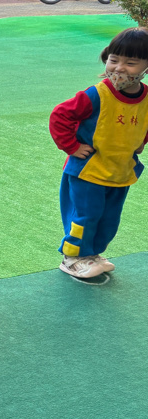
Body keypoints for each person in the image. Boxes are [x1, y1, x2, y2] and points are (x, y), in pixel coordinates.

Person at [50, 27, 148, 278]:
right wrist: (72, 146)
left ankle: (91, 254)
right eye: (114, 60)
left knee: (109, 219)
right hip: (88, 171)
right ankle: (72, 257)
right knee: (86, 215)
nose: (119, 68)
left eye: (131, 63)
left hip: (120, 171)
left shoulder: (146, 98)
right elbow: (60, 115)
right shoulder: (97, 94)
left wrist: (141, 142)